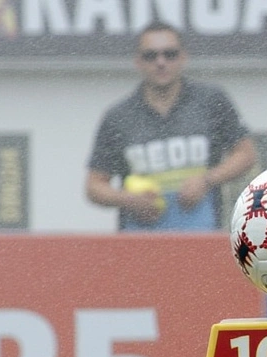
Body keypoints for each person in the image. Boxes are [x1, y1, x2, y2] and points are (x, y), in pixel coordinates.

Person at [85, 21, 257, 231]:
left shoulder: (211, 101)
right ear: (138, 61)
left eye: (170, 54)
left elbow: (246, 155)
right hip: (138, 242)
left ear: (183, 56)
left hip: (201, 237)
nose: (161, 62)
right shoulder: (119, 116)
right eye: (151, 55)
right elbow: (94, 186)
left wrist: (206, 181)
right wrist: (129, 199)